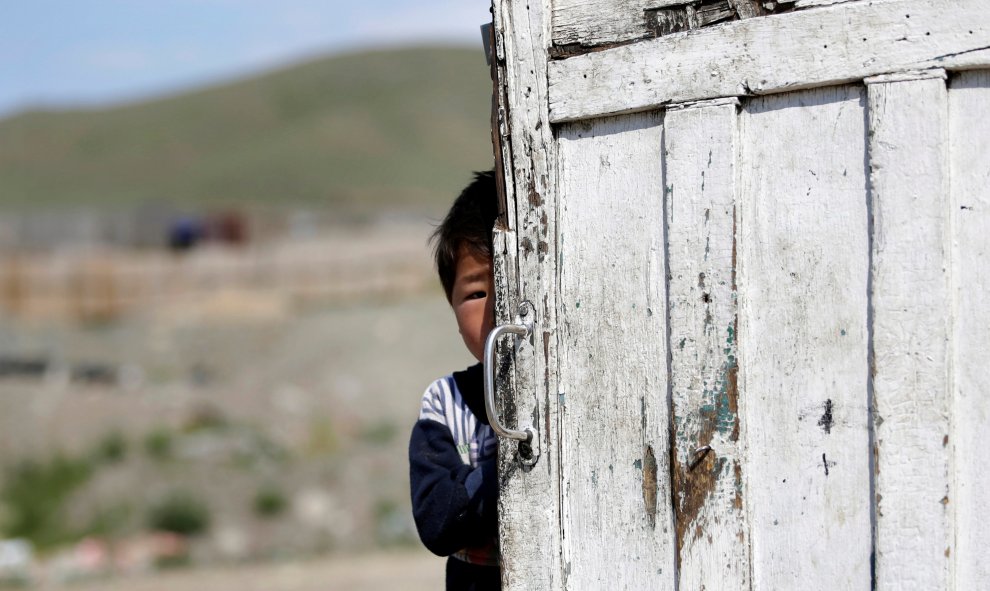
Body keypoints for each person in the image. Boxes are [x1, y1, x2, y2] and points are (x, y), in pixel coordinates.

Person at [409, 170, 502, 590]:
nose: (501, 308)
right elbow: (437, 525)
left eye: (512, 284)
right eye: (477, 293)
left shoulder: (576, 392)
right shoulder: (446, 403)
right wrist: (506, 467)